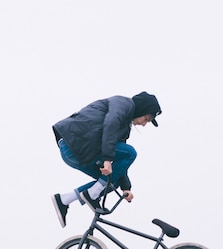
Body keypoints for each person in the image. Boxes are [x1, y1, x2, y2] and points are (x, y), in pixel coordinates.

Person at [51, 91, 162, 227]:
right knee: (130, 153)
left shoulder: (125, 127)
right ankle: (92, 194)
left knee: (112, 181)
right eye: (146, 119)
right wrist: (108, 160)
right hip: (76, 142)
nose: (144, 124)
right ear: (142, 109)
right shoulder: (123, 104)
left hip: (77, 151)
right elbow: (110, 124)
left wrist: (125, 188)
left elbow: (120, 163)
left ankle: (64, 199)